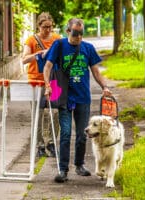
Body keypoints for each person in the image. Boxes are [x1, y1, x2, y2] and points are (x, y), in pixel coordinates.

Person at [43, 18, 112, 182]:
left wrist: (105, 87)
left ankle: (79, 164)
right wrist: (47, 85)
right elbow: (47, 67)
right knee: (65, 133)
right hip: (64, 96)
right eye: (75, 33)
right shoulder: (59, 45)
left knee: (82, 134)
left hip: (83, 97)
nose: (79, 37)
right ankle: (63, 169)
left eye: (81, 33)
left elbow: (96, 71)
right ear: (68, 31)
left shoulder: (88, 48)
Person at [22, 12, 61, 158]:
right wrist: (40, 54)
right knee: (37, 114)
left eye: (50, 27)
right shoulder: (31, 40)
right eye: (45, 27)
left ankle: (51, 142)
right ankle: (39, 145)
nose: (48, 30)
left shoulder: (57, 39)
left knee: (55, 112)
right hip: (36, 82)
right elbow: (24, 59)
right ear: (39, 26)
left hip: (54, 81)